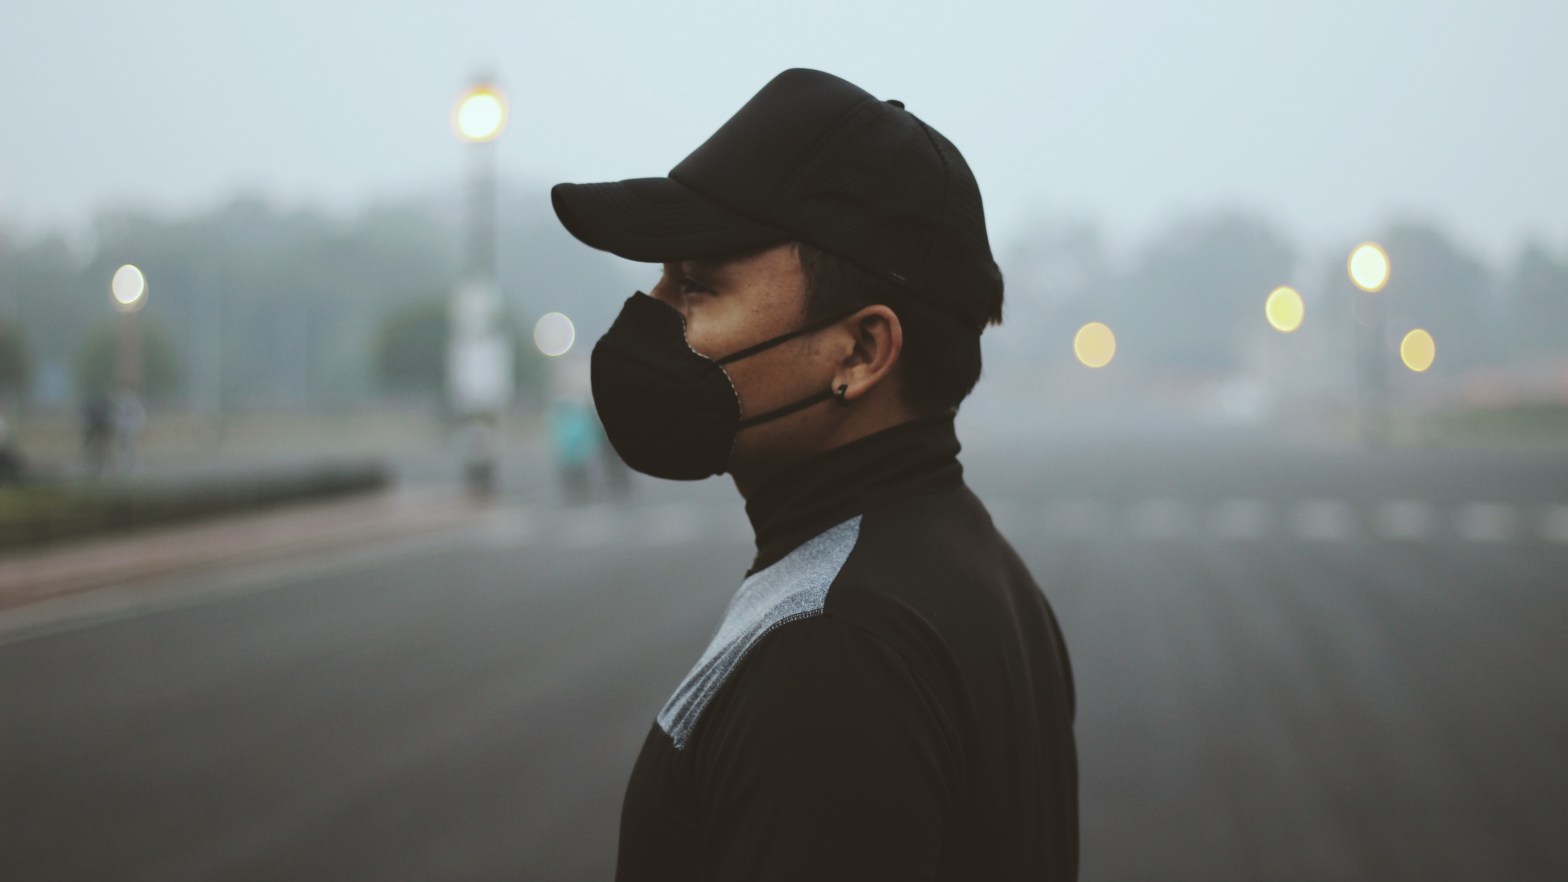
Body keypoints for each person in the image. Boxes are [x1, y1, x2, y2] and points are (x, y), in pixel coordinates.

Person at [552, 68, 1078, 881]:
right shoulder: (974, 567)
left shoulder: (834, 652)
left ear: (862, 351)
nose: (649, 312)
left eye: (695, 287)